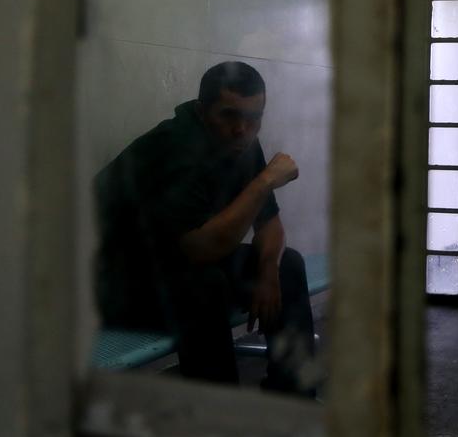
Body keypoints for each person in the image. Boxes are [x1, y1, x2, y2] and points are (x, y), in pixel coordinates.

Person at [94, 61, 316, 395]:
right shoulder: (178, 147)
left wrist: (268, 271)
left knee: (287, 264)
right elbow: (200, 249)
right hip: (109, 281)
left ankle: (293, 398)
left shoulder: (242, 140)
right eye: (228, 115)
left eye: (254, 117)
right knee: (203, 285)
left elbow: (269, 224)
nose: (242, 128)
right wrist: (264, 182)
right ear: (202, 110)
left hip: (169, 266)